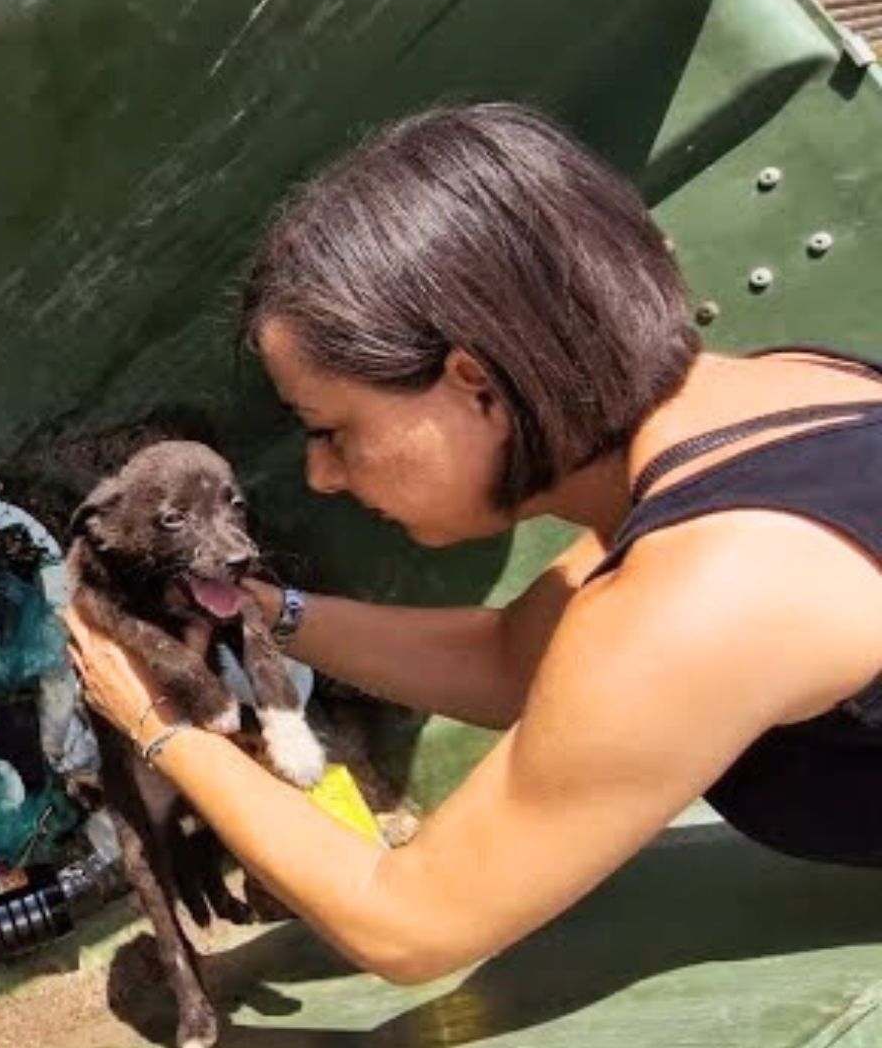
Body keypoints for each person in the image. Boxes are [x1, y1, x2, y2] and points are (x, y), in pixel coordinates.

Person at [61, 103, 882, 986]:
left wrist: (153, 720)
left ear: (474, 384)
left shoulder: (716, 589)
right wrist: (267, 612)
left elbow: (409, 922)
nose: (322, 475)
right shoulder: (777, 403)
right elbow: (513, 660)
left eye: (332, 429)